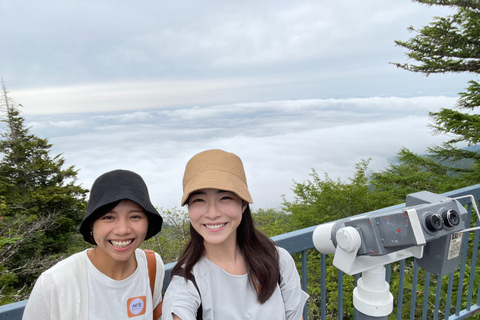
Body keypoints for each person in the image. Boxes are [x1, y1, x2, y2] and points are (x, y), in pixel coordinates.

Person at [161, 149, 309, 320]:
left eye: (225, 198)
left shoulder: (278, 261)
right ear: (189, 209)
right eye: (199, 200)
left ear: (243, 205)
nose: (212, 213)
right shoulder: (186, 283)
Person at [23, 169, 165, 320]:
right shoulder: (55, 282)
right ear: (92, 225)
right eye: (108, 217)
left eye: (135, 216)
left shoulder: (152, 265)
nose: (123, 230)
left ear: (148, 223)